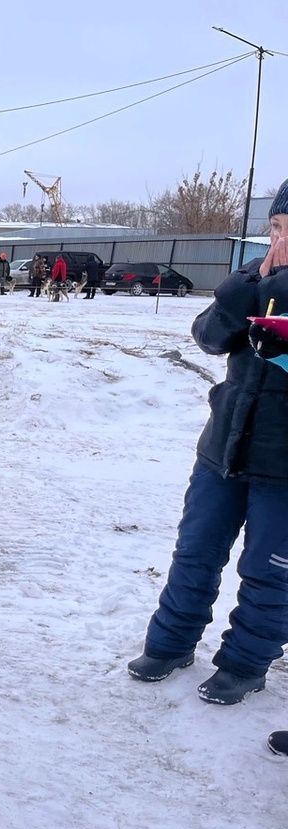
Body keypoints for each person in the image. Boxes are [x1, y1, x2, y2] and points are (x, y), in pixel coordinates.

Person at [126, 177, 288, 707]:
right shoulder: (256, 277)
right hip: (223, 448)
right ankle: (170, 643)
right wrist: (238, 298)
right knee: (195, 551)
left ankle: (245, 663)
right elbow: (208, 337)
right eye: (276, 230)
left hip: (284, 468)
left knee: (268, 572)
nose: (279, 246)